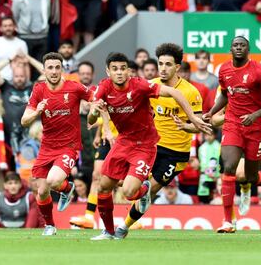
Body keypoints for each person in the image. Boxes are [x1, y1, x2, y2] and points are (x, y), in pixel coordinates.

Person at [88, 51, 210, 240]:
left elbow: (198, 125)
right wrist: (101, 124)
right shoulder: (149, 84)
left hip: (174, 152)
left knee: (144, 190)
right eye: (160, 63)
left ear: (177, 67)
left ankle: (125, 226)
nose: (162, 68)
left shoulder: (189, 91)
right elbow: (100, 110)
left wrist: (190, 123)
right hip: (144, 142)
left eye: (167, 64)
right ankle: (109, 229)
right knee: (108, 183)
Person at [203, 36, 261, 233]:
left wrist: (255, 116)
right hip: (233, 124)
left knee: (251, 176)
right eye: (235, 45)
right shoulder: (224, 70)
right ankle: (228, 221)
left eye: (242, 45)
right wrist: (211, 112)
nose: (239, 48)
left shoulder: (259, 71)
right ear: (231, 49)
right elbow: (224, 94)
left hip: (255, 126)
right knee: (228, 168)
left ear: (248, 49)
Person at [21, 52, 93, 236]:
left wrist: (94, 114)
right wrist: (37, 111)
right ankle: (50, 226)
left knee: (53, 181)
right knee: (42, 190)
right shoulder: (39, 90)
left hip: (68, 146)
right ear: (44, 70)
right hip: (47, 146)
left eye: (57, 67)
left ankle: (67, 188)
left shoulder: (74, 87)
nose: (53, 71)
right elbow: (24, 120)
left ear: (62, 69)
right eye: (50, 68)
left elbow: (96, 98)